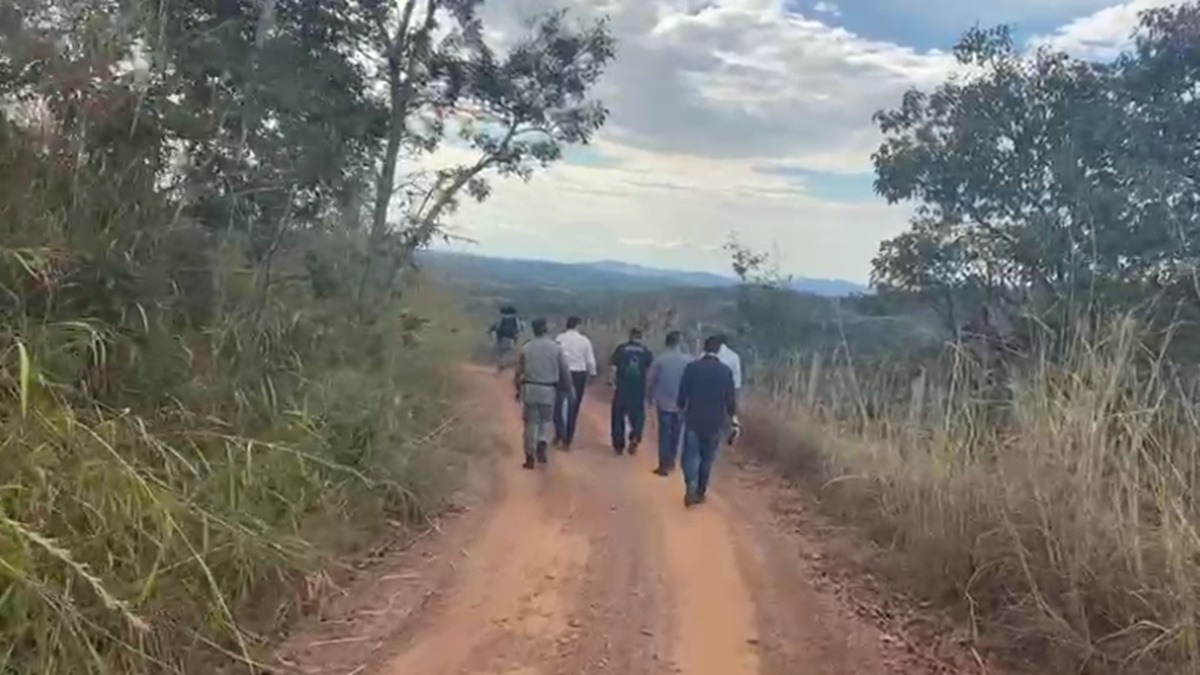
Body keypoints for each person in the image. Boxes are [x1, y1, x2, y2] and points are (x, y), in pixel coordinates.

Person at [676, 335, 739, 507]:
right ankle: (700, 492)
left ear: (704, 348)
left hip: (693, 418)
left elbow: (682, 394)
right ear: (718, 350)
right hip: (715, 421)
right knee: (707, 458)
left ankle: (691, 485)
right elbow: (730, 399)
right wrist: (733, 418)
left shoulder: (692, 368)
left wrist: (681, 407)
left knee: (690, 456)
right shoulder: (725, 372)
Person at [514, 318, 573, 469]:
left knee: (530, 423)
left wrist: (517, 388)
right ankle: (542, 441)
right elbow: (564, 370)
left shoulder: (527, 347)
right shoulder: (556, 348)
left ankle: (529, 454)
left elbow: (518, 371)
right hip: (548, 389)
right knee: (546, 420)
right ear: (546, 329)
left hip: (530, 388)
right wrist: (567, 386)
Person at [646, 330, 693, 476]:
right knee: (677, 433)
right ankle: (672, 460)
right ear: (680, 343)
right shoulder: (689, 361)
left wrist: (649, 398)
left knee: (664, 433)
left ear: (667, 342)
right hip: (682, 404)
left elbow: (651, 380)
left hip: (663, 402)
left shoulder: (660, 360)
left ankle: (663, 464)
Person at [608, 327, 654, 456]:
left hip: (622, 388)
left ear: (630, 336)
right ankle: (635, 436)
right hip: (638, 390)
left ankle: (618, 445)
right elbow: (650, 371)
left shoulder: (621, 349)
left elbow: (612, 367)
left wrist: (611, 382)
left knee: (618, 416)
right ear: (641, 337)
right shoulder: (646, 351)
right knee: (638, 416)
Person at [553, 316, 596, 449]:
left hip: (561, 372)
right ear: (578, 325)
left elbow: (555, 356)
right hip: (579, 374)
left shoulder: (559, 338)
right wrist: (592, 374)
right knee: (574, 406)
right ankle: (568, 439)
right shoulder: (584, 340)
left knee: (558, 404)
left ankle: (559, 432)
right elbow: (590, 360)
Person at [488, 305, 524, 374]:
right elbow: (520, 329)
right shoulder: (516, 319)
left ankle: (500, 369)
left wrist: (491, 332)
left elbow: (496, 327)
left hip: (501, 339)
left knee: (498, 354)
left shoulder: (502, 318)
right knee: (506, 355)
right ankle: (502, 370)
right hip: (511, 340)